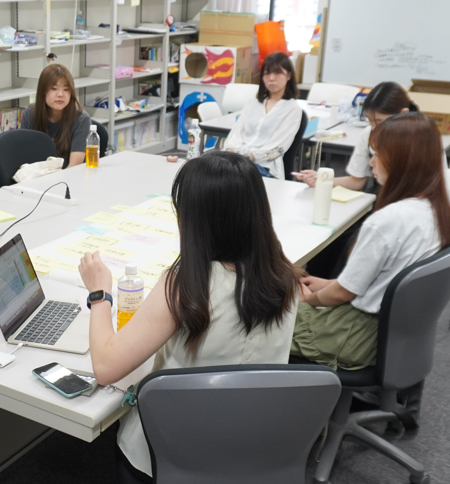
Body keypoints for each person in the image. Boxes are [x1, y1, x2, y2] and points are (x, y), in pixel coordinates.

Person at [77, 152, 303, 481]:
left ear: (196, 221)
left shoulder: (186, 285)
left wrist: (100, 294)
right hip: (253, 444)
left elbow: (106, 368)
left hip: (170, 451)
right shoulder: (286, 277)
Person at [290, 112, 450, 371]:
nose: (371, 162)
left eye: (378, 154)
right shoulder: (439, 211)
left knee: (255, 313)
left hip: (352, 335)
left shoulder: (387, 221)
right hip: (390, 332)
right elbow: (383, 282)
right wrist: (328, 284)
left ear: (403, 162)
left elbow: (343, 294)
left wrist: (304, 300)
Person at [297, 81, 418, 191]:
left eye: (379, 121)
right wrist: (323, 179)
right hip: (383, 196)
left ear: (403, 114)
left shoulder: (419, 139)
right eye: (370, 121)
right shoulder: (368, 133)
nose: (374, 128)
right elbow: (357, 181)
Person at [224, 51, 303, 178]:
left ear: (288, 76)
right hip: (237, 160)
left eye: (277, 73)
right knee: (208, 169)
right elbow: (236, 134)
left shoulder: (292, 109)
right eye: (267, 73)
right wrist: (230, 152)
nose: (271, 78)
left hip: (265, 166)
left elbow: (278, 148)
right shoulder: (252, 103)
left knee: (231, 178)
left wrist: (250, 157)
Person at [20, 64, 92, 168]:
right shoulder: (30, 114)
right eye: (54, 88)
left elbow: (74, 166)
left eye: (66, 89)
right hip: (37, 175)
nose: (60, 94)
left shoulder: (81, 119)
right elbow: (23, 156)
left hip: (68, 175)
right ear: (43, 91)